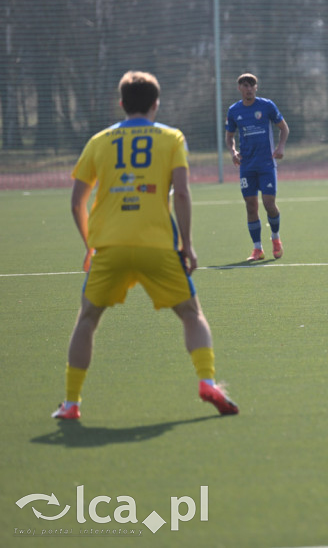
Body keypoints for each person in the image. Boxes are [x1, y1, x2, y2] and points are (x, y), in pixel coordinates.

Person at [53, 71, 238, 420]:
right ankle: (207, 382)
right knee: (191, 314)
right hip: (158, 246)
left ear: (121, 103)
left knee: (88, 318)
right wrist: (187, 245)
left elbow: (77, 201)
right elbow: (181, 193)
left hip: (110, 246)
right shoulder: (171, 138)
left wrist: (90, 246)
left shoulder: (99, 141)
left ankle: (72, 403)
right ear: (156, 104)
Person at [225, 73, 289, 261]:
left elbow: (284, 128)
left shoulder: (267, 106)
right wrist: (233, 152)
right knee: (251, 206)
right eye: (245, 86)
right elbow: (229, 137)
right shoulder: (234, 110)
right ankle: (257, 249)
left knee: (269, 204)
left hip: (266, 164)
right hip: (247, 166)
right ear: (239, 88)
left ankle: (276, 239)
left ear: (256, 87)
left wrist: (280, 146)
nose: (249, 89)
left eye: (252, 85)